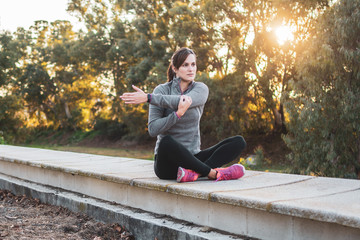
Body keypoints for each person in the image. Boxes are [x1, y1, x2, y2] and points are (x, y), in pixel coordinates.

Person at [120, 47, 246, 182]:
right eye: (185, 65)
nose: (191, 69)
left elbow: (185, 100)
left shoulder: (200, 89)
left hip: (193, 158)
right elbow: (153, 129)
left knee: (238, 142)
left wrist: (149, 98)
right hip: (167, 164)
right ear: (175, 68)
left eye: (193, 64)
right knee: (166, 141)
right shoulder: (161, 90)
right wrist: (177, 114)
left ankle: (193, 174)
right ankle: (212, 174)